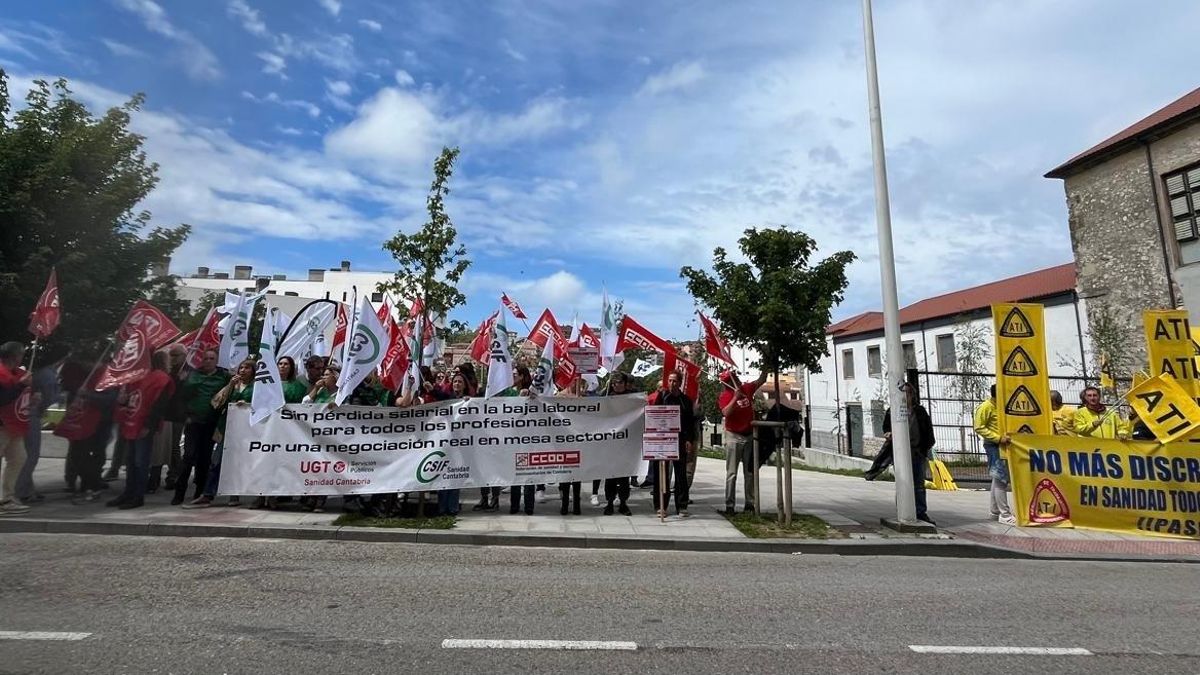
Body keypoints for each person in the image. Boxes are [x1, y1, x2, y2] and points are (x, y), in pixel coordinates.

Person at [106, 350, 175, 510]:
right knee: (131, 461)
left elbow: (159, 405)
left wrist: (148, 425)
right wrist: (123, 401)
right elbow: (132, 398)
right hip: (131, 422)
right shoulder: (137, 377)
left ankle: (138, 496)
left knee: (140, 461)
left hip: (143, 425)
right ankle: (128, 492)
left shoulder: (161, 378)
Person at [184, 358, 254, 508]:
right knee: (216, 461)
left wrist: (248, 405)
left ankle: (235, 494)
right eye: (241, 367)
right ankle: (208, 494)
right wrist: (230, 385)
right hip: (226, 428)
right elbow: (217, 402)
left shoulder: (256, 387)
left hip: (246, 431)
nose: (243, 370)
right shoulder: (232, 385)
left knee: (238, 463)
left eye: (247, 368)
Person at [171, 349, 229, 506]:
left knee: (204, 459)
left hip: (211, 423)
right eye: (206, 358)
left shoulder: (223, 377)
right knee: (188, 457)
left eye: (212, 358)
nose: (208, 361)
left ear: (216, 360)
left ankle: (200, 491)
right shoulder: (192, 376)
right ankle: (179, 492)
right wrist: (186, 416)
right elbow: (181, 398)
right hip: (194, 422)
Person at [718, 369, 768, 514]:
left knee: (750, 472)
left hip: (749, 435)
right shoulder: (725, 396)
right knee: (732, 472)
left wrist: (767, 362)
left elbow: (761, 380)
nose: (736, 381)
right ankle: (729, 505)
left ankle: (749, 503)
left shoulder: (746, 388)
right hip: (734, 436)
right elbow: (726, 412)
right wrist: (735, 398)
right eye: (731, 380)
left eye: (735, 378)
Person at [649, 371, 696, 518]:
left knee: (681, 474)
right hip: (662, 440)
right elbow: (653, 416)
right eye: (669, 380)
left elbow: (690, 423)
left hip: (680, 440)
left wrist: (689, 440)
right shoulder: (662, 397)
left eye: (674, 381)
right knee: (661, 473)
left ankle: (682, 505)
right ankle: (660, 505)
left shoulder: (686, 400)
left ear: (680, 382)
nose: (671, 383)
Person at [14, 356, 60, 503]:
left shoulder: (31, 372)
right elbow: (50, 398)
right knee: (30, 455)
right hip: (29, 414)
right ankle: (20, 491)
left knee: (24, 455)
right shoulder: (47, 374)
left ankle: (27, 488)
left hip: (22, 414)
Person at [893, 384, 936, 525]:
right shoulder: (894, 410)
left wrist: (924, 449)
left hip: (917, 453)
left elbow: (928, 432)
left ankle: (920, 512)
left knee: (918, 484)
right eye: (902, 394)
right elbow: (887, 426)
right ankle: (902, 508)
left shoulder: (920, 412)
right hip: (901, 454)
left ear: (912, 395)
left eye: (907, 394)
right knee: (902, 483)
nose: (905, 397)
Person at [0, 342, 34, 514]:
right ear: (15, 356)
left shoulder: (18, 374)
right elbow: (3, 398)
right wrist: (21, 385)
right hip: (2, 424)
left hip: (14, 425)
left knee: (18, 458)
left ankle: (6, 498)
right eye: (21, 354)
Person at [974, 385, 1015, 526]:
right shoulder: (986, 407)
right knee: (1001, 479)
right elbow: (978, 427)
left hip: (1001, 444)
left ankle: (995, 511)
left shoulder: (1001, 406)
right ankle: (1005, 514)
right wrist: (997, 438)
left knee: (997, 478)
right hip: (995, 445)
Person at [150, 344, 188, 493]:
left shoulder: (188, 372)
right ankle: (154, 478)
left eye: (175, 355)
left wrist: (182, 381)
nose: (172, 358)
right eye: (171, 355)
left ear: (184, 356)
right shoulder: (167, 371)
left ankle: (173, 476)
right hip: (164, 414)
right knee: (159, 449)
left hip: (178, 416)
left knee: (173, 447)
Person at [502, 365, 537, 515]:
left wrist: (531, 397)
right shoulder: (509, 391)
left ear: (523, 376)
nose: (513, 377)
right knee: (514, 474)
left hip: (528, 440)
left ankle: (529, 506)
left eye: (515, 374)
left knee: (529, 474)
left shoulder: (533, 391)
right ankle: (514, 505)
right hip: (512, 439)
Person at [600, 372, 633, 515]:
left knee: (625, 475)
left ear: (625, 384)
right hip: (610, 441)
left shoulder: (632, 398)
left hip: (626, 442)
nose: (616, 385)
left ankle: (623, 502)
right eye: (614, 383)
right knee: (610, 474)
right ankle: (609, 502)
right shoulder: (606, 396)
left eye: (619, 382)